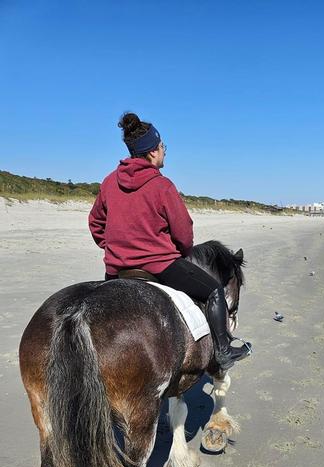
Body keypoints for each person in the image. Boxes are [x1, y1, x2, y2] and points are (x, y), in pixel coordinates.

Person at [89, 112, 251, 370]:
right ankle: (222, 350)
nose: (165, 151)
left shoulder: (109, 182)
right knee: (214, 290)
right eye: (163, 146)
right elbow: (184, 231)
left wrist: (114, 248)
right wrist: (181, 251)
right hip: (159, 266)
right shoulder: (162, 185)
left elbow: (96, 223)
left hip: (116, 271)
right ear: (152, 152)